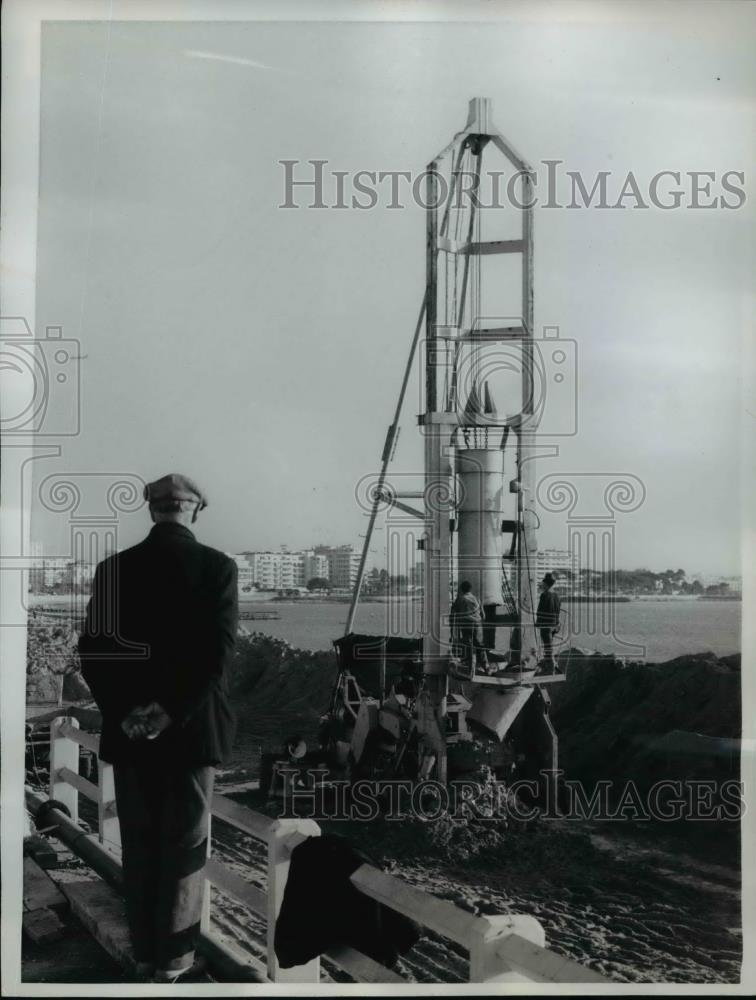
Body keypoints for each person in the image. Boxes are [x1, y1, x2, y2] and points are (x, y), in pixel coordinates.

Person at [78, 473, 238, 983]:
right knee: (186, 849)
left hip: (130, 735)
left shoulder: (112, 569)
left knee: (141, 846)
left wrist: (129, 712)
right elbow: (217, 659)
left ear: (152, 511)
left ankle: (145, 954)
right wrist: (170, 711)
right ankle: (174, 963)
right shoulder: (218, 568)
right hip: (190, 736)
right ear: (194, 510)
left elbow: (96, 652)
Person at [450, 581, 490, 673]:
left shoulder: (459, 599)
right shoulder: (477, 599)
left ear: (461, 590)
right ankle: (486, 667)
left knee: (469, 646)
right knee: (480, 646)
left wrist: (452, 631)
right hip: (477, 625)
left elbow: (452, 616)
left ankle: (471, 670)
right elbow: (483, 616)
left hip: (466, 624)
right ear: (470, 590)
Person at [536, 572, 561, 673]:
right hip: (555, 625)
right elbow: (558, 611)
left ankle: (551, 670)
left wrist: (538, 623)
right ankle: (552, 666)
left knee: (548, 649)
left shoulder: (544, 595)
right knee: (550, 646)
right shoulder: (557, 596)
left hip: (546, 626)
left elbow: (540, 612)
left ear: (546, 584)